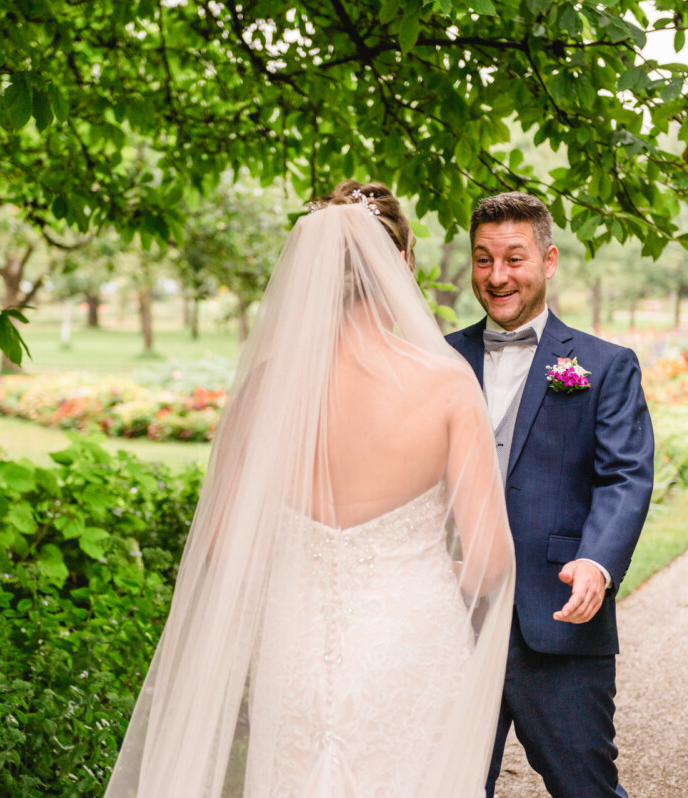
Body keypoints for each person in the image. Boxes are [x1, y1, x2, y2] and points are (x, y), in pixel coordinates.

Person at [105, 181, 517, 798]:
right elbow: (489, 565)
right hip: (412, 642)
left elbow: (222, 544)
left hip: (294, 647)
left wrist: (309, 566)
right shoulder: (446, 385)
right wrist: (426, 567)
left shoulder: (268, 387)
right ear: (401, 263)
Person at [445, 192, 654, 798]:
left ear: (549, 259)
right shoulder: (437, 359)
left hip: (559, 617)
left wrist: (597, 560)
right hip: (450, 620)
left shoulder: (605, 364)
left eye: (514, 258)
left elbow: (625, 475)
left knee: (585, 786)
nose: (498, 276)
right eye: (483, 260)